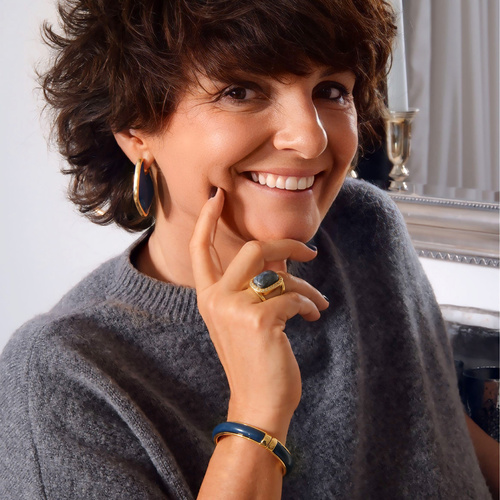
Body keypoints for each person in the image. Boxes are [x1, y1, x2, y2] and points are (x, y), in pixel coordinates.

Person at [0, 0, 498, 498]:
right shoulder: (62, 375)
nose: (310, 138)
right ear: (135, 130)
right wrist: (257, 411)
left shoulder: (364, 228)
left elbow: (440, 431)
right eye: (239, 91)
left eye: (330, 90)